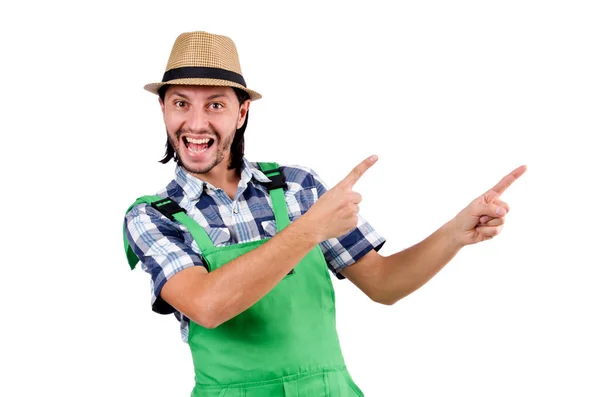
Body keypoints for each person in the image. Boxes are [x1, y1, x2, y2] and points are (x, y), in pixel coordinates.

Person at [122, 31, 526, 396]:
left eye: (215, 104)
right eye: (180, 103)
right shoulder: (153, 216)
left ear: (241, 112)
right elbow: (207, 306)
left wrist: (455, 234)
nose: (196, 123)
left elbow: (384, 284)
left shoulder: (298, 187)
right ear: (162, 108)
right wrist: (308, 231)